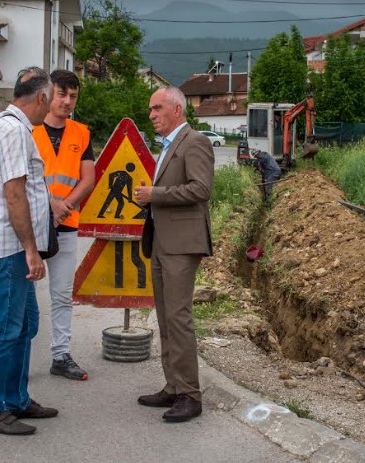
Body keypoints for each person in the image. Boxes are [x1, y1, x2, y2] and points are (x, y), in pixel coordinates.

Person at [0, 66, 59, 436]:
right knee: (7, 328)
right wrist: (30, 249)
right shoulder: (11, 130)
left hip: (15, 248)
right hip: (11, 249)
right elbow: (14, 193)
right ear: (41, 98)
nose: (51, 109)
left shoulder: (12, 128)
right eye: (52, 100)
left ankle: (15, 398)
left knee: (25, 325)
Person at [134, 86, 214, 423]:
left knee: (178, 319)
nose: (151, 115)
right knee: (166, 318)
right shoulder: (168, 147)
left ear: (177, 110)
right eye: (150, 109)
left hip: (182, 243)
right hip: (164, 242)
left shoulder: (195, 141)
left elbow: (201, 188)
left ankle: (189, 395)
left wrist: (155, 194)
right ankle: (173, 385)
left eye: (157, 108)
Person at [32, 70, 94, 381]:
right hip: (29, 225)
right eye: (62, 95)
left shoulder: (81, 133)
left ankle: (61, 355)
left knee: (61, 294)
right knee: (24, 295)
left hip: (66, 225)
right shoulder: (28, 129)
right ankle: (20, 360)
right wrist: (50, 204)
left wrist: (63, 206)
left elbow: (89, 179)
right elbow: (21, 178)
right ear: (48, 94)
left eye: (73, 97)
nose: (67, 101)